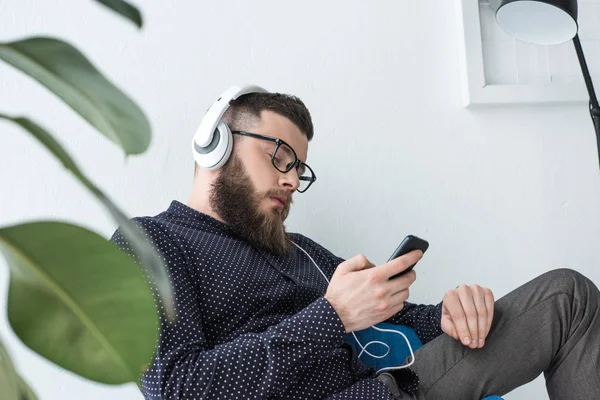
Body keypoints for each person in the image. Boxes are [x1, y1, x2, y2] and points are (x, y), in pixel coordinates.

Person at [111, 85, 600, 400]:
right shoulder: (151, 243)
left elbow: (393, 316)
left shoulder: (300, 250)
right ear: (215, 144)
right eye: (280, 156)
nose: (290, 179)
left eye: (299, 170)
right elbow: (176, 388)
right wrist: (333, 316)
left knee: (566, 299)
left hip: (395, 387)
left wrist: (449, 314)